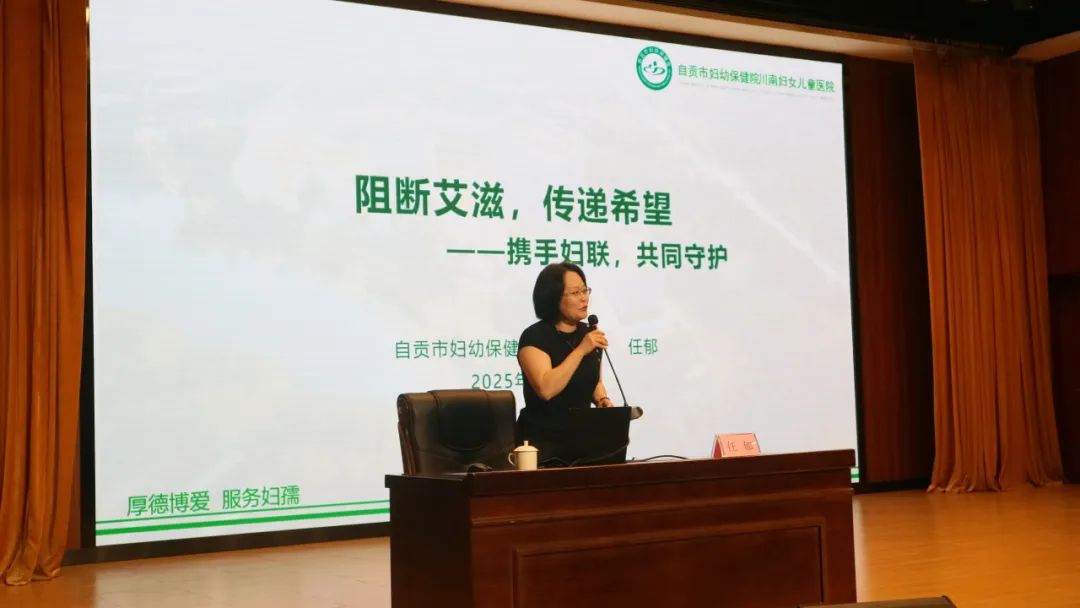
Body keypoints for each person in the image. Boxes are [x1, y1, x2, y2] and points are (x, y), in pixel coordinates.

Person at [516, 262, 613, 463]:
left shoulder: (588, 333)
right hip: (542, 445)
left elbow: (593, 380)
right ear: (553, 298)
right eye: (576, 292)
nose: (584, 298)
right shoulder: (535, 337)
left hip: (582, 440)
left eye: (585, 290)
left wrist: (602, 399)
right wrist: (581, 350)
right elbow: (546, 389)